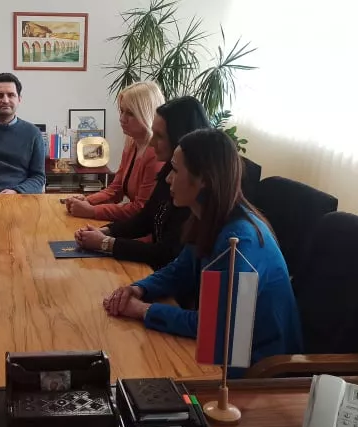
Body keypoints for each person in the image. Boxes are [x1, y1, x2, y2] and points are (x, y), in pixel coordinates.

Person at [102, 129, 303, 376]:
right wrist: (138, 289)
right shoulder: (210, 218)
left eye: (176, 170)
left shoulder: (239, 243)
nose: (168, 179)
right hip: (226, 352)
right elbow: (181, 269)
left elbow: (213, 328)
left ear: (204, 179)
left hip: (256, 371)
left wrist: (142, 310)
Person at [74, 96, 208, 272]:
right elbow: (145, 218)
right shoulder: (167, 168)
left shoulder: (190, 192)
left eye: (159, 136)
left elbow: (166, 253)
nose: (152, 142)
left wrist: (106, 242)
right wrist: (104, 231)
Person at [65, 81, 166, 221]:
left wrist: (92, 211)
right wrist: (87, 200)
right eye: (122, 111)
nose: (122, 119)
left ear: (146, 114)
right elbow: (116, 189)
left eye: (130, 113)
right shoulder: (132, 143)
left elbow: (141, 209)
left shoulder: (156, 154)